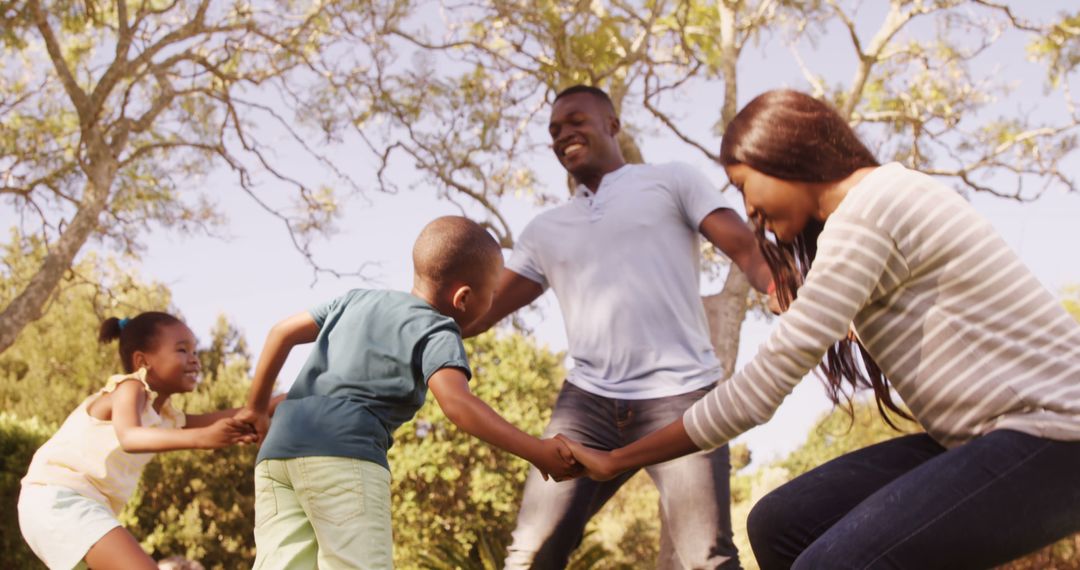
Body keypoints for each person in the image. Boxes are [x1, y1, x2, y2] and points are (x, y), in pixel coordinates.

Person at [558, 89, 1080, 569]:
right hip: (982, 438)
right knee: (782, 523)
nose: (750, 213)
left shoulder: (873, 208)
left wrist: (616, 459)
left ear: (779, 151)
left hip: (1055, 434)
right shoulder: (865, 218)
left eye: (744, 186)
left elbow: (758, 393)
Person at [461, 85, 774, 569]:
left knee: (707, 559)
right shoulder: (545, 230)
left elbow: (746, 249)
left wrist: (785, 293)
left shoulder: (671, 181)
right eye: (554, 130)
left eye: (576, 121)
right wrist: (413, 329)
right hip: (586, 405)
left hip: (682, 396)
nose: (564, 134)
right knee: (529, 555)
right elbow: (481, 310)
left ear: (612, 124)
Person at [238, 216, 578, 570]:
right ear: (463, 298)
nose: (493, 301)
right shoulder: (436, 329)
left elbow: (281, 332)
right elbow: (459, 405)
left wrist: (256, 408)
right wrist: (537, 451)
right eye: (492, 293)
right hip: (344, 455)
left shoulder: (356, 300)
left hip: (277, 454)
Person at [18, 311, 261, 570]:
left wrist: (280, 402)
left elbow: (240, 414)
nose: (195, 361)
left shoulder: (167, 417)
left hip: (82, 507)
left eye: (195, 352)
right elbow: (129, 436)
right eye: (182, 350)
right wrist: (201, 437)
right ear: (142, 361)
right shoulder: (129, 389)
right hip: (58, 497)